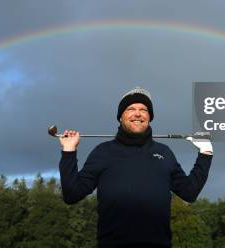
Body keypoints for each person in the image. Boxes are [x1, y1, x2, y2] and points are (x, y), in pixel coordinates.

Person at [58, 87, 213, 248]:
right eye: (131, 109)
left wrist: (205, 153)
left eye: (143, 110)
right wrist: (69, 151)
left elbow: (189, 192)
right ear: (120, 117)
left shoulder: (164, 153)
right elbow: (72, 194)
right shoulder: (102, 152)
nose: (138, 114)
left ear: (149, 117)